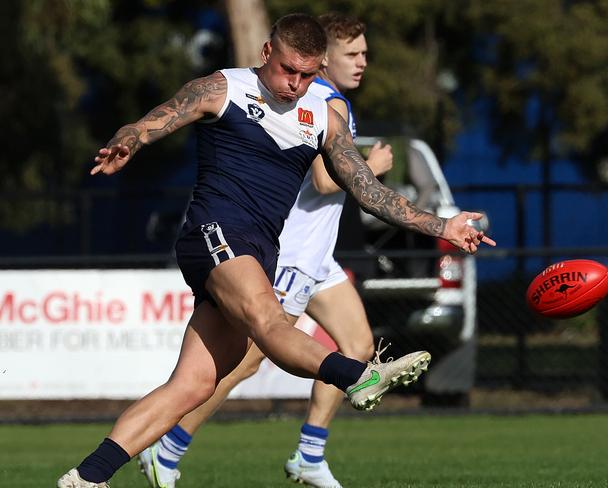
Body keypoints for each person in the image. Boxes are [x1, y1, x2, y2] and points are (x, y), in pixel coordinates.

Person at [57, 13, 494, 488]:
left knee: (195, 385)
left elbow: (369, 191)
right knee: (268, 322)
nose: (295, 83)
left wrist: (442, 225)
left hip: (259, 251)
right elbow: (159, 117)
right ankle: (358, 376)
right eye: (288, 70)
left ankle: (86, 478)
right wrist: (130, 139)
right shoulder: (224, 88)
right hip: (215, 231)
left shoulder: (324, 117)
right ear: (267, 53)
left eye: (308, 74)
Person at [137, 13, 392, 488]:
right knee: (245, 359)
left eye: (365, 53)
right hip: (291, 250)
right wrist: (370, 167)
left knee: (357, 345)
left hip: (321, 254)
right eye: (352, 55)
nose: (362, 63)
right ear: (325, 60)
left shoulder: (331, 103)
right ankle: (167, 449)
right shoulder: (318, 100)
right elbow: (321, 179)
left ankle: (309, 456)